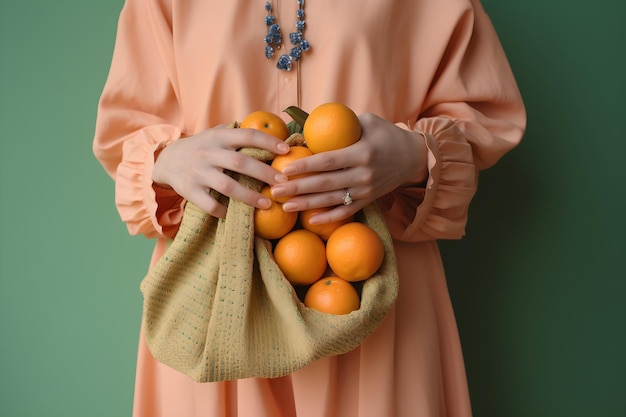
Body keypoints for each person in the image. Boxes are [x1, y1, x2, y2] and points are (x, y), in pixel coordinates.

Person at [93, 0, 526, 415]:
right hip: (219, 299)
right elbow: (125, 132)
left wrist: (414, 155)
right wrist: (171, 160)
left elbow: (486, 117)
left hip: (375, 291)